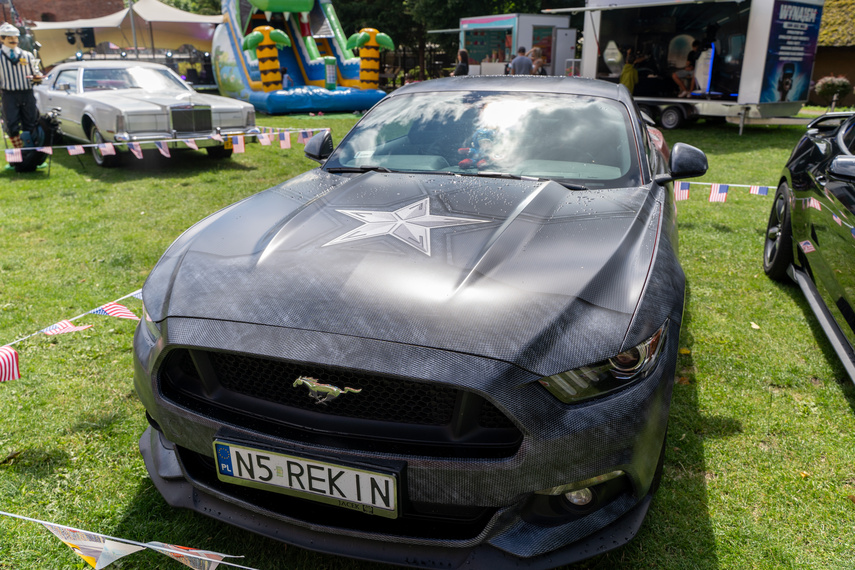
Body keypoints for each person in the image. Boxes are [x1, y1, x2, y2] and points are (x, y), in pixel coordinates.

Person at [0, 22, 42, 149]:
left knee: (30, 121)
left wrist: (37, 77)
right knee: (11, 124)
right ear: (2, 39)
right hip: (9, 94)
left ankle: (30, 151)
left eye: (15, 38)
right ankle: (18, 151)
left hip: (27, 93)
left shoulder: (27, 55)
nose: (14, 40)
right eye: (10, 38)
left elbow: (36, 72)